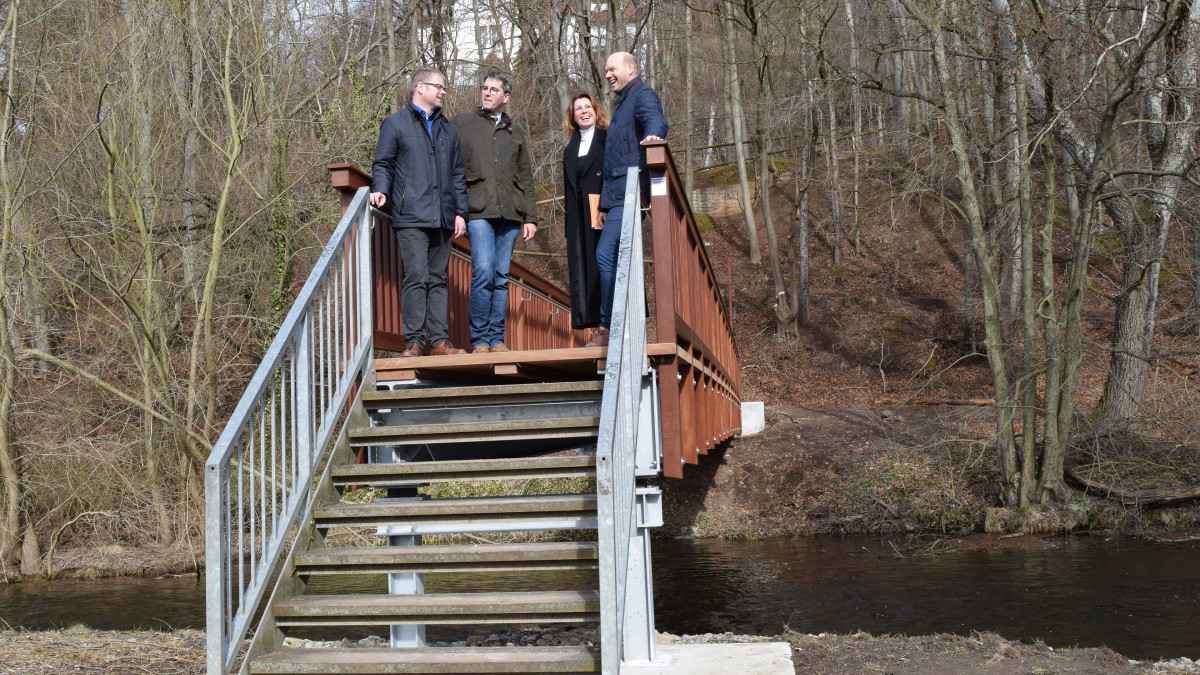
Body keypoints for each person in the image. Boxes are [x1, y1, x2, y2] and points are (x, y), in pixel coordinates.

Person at [370, 67, 468, 357]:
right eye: (439, 86)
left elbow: (458, 174)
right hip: (410, 213)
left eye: (444, 87)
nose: (443, 92)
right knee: (416, 276)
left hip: (443, 215)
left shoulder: (447, 128)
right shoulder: (395, 124)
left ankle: (439, 342)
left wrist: (460, 212)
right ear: (420, 87)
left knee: (438, 279)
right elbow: (383, 163)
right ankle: (413, 342)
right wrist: (380, 189)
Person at [451, 71, 537, 353]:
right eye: (484, 88)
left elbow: (526, 177)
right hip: (477, 211)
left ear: (506, 97)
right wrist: (455, 208)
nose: (486, 93)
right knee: (484, 272)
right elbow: (448, 163)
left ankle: (497, 339)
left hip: (510, 215)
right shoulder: (462, 124)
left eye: (493, 90)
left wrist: (531, 218)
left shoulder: (516, 132)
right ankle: (480, 341)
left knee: (501, 277)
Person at [593, 51, 668, 347]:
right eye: (606, 71)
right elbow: (615, 158)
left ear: (630, 68)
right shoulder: (622, 104)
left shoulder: (642, 94)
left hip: (631, 192)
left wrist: (653, 136)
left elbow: (655, 119)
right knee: (618, 258)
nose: (608, 74)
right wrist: (603, 205)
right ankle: (618, 326)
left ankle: (608, 326)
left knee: (606, 256)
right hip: (617, 196)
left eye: (612, 69)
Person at [560, 92, 609, 342]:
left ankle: (607, 325)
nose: (583, 111)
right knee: (584, 270)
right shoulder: (570, 148)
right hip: (578, 219)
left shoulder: (606, 139)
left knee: (603, 266)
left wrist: (608, 206)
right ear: (573, 116)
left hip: (603, 213)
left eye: (587, 106)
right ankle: (595, 326)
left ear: (595, 110)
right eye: (578, 108)